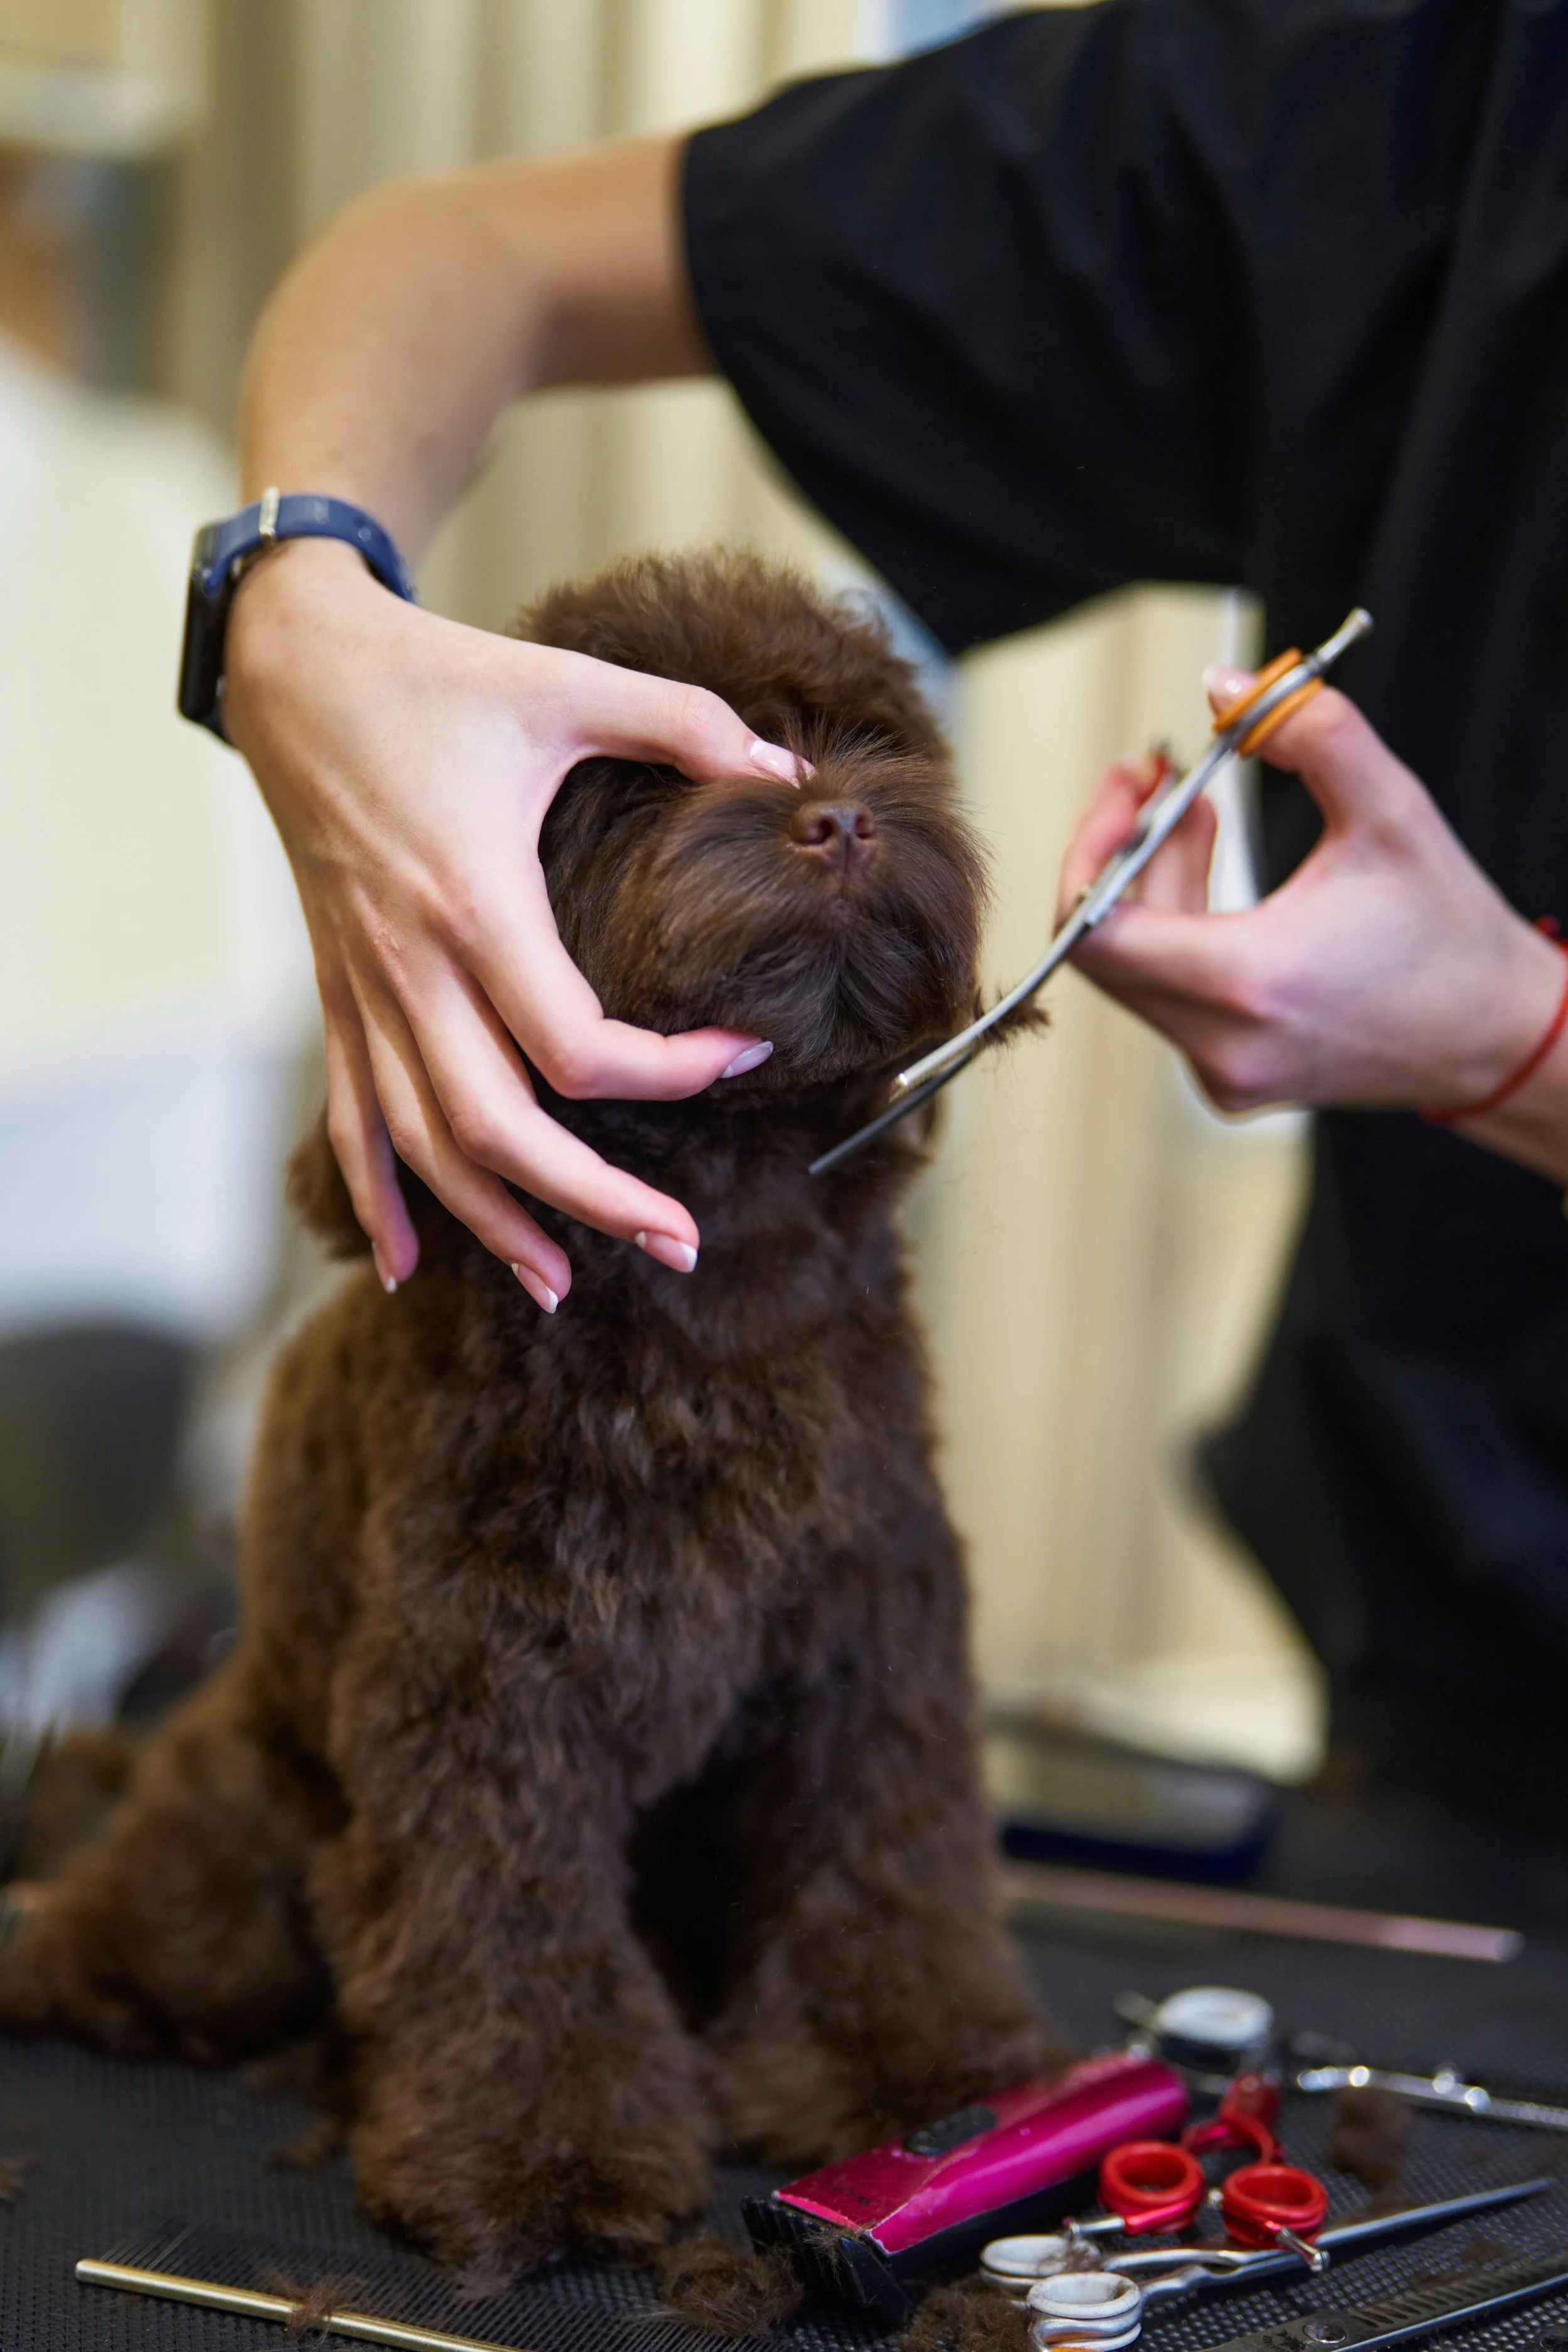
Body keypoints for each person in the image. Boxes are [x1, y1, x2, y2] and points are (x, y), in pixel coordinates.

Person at [219, 0, 1568, 1826]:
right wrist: (302, 615)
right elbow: (458, 252)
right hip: (1460, 1650)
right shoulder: (1393, 92)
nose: (823, 812)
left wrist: (1519, 1044)